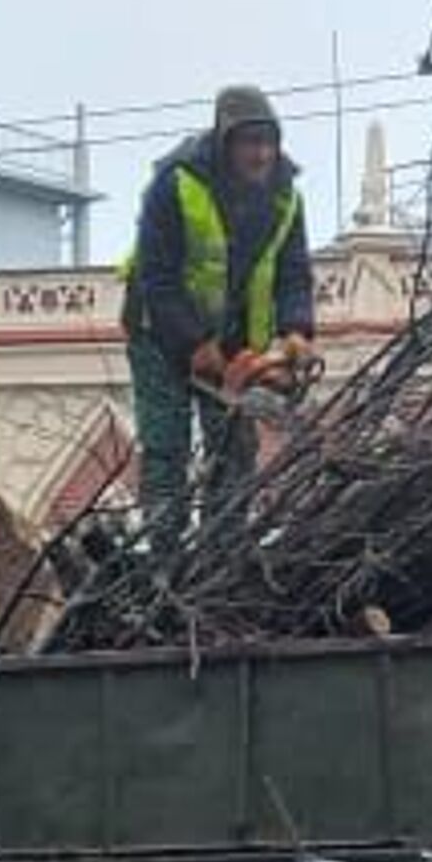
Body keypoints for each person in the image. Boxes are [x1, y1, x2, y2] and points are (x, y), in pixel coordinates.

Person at [123, 83, 317, 532]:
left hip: (232, 343)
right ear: (226, 140)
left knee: (234, 448)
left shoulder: (285, 196)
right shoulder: (175, 185)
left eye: (268, 142)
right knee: (166, 447)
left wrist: (296, 330)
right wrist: (194, 344)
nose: (261, 154)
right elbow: (158, 277)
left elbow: (293, 273)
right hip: (159, 333)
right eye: (251, 143)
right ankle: (165, 553)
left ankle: (220, 549)